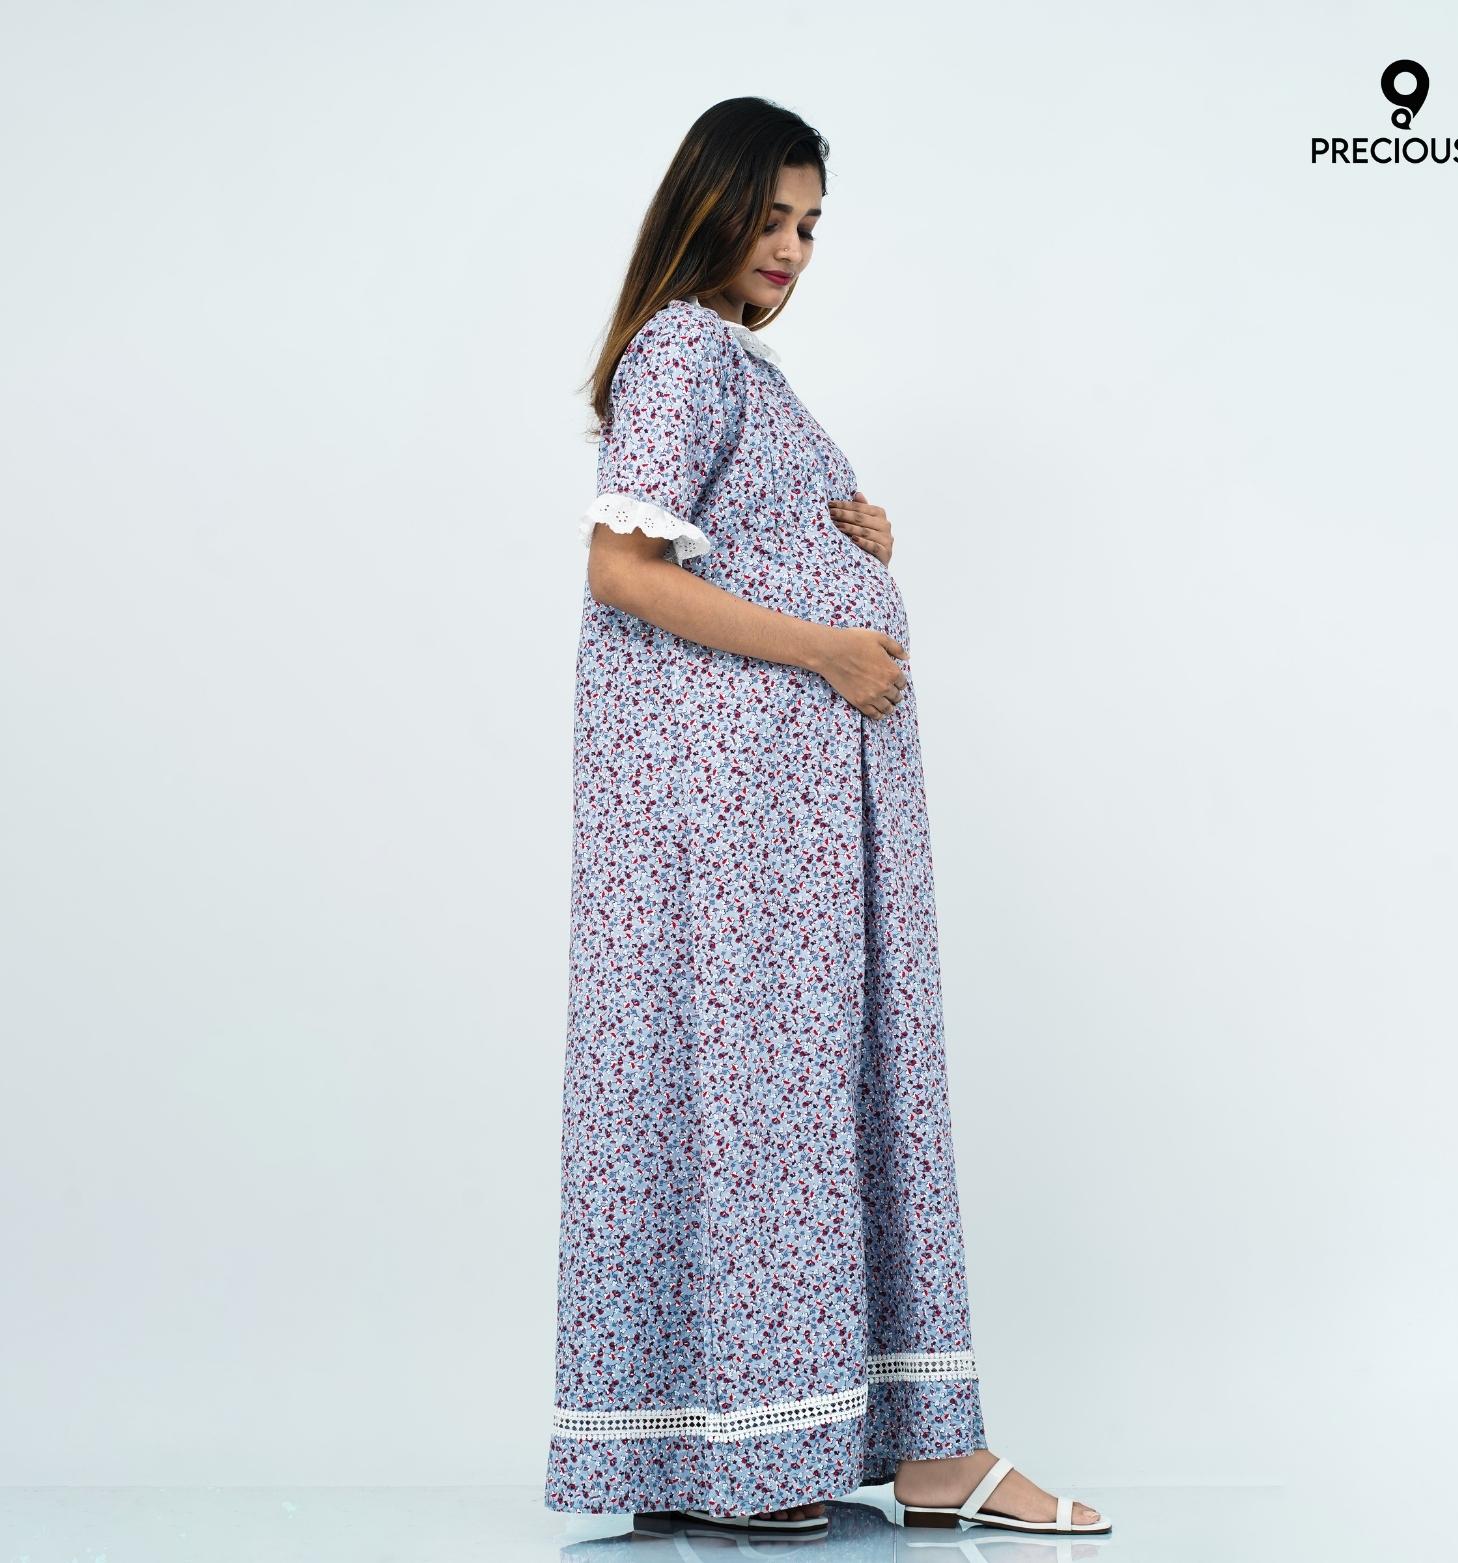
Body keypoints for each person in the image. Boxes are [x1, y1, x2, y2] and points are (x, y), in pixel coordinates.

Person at [544, 96, 1109, 1540]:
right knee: (767, 1095)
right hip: (743, 819)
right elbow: (621, 572)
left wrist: (846, 538)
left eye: (811, 225)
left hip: (796, 807)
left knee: (818, 1094)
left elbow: (727, 536)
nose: (793, 247)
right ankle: (760, 1454)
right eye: (773, 216)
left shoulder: (737, 362)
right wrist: (831, 647)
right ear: (708, 203)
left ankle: (900, 1446)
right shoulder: (682, 348)